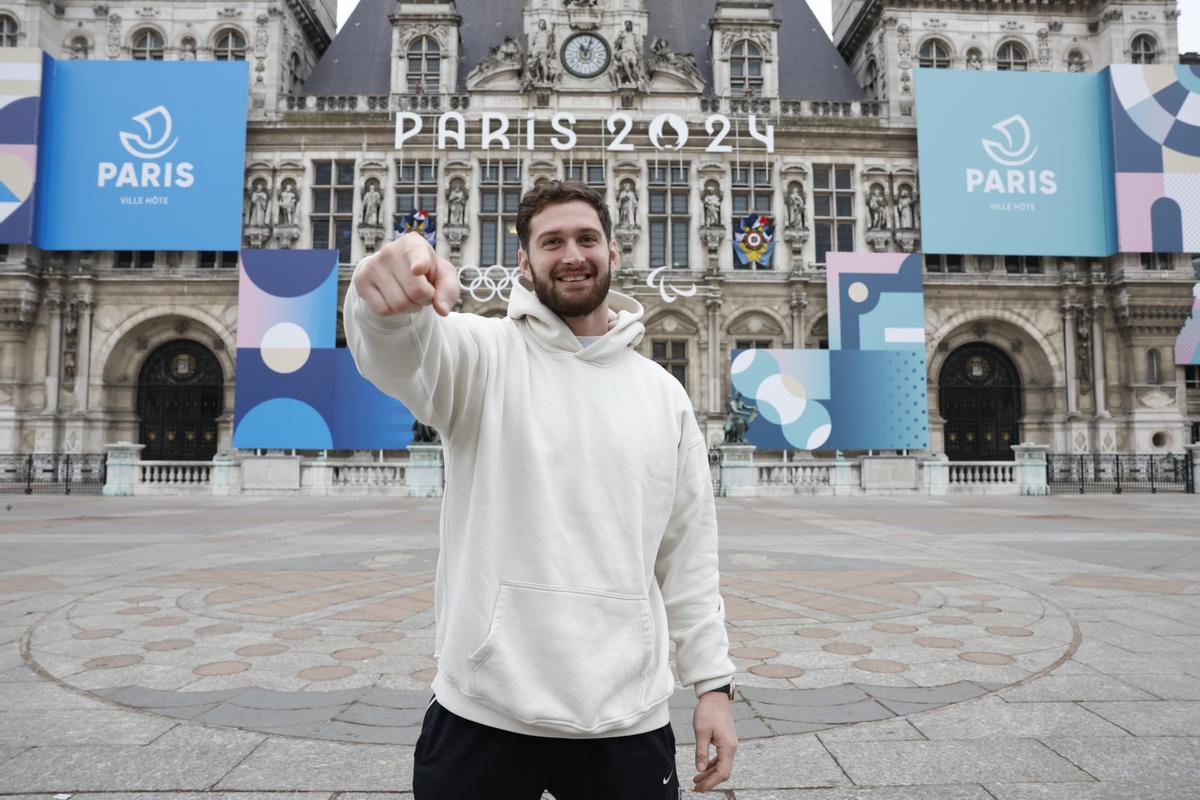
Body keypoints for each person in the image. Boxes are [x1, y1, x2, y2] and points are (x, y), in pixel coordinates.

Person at [344, 181, 737, 799]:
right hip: (484, 709)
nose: (572, 254)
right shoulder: (481, 354)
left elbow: (687, 555)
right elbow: (398, 354)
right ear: (524, 262)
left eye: (587, 238)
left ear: (614, 250)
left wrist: (712, 685)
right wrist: (380, 302)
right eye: (551, 242)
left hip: (625, 717)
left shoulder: (664, 394)